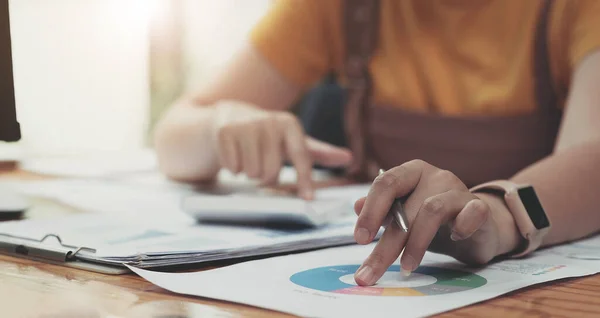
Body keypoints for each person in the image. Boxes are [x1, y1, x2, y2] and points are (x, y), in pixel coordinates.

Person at [154, 0, 600, 286]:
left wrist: (498, 217)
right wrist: (222, 124)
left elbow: (593, 161)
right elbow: (173, 135)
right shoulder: (339, 8)